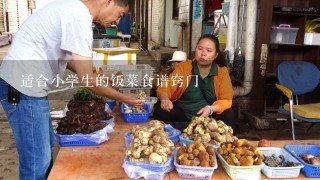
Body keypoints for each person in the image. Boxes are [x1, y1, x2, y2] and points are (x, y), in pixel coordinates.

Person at [0, 0, 144, 179]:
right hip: (23, 89)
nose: (116, 21)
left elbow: (70, 61)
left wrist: (97, 78)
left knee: (44, 151)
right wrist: (124, 97)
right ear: (108, 2)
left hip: (28, 88)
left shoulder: (72, 10)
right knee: (37, 160)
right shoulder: (79, 18)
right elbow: (87, 81)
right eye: (120, 14)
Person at [153, 34, 235, 131]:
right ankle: (182, 132)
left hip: (209, 119)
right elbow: (166, 87)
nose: (203, 53)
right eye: (200, 49)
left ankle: (219, 139)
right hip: (183, 117)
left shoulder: (222, 71)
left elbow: (226, 100)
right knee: (160, 109)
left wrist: (211, 109)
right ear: (195, 49)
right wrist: (165, 99)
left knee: (229, 115)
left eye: (209, 51)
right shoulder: (184, 67)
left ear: (216, 55)